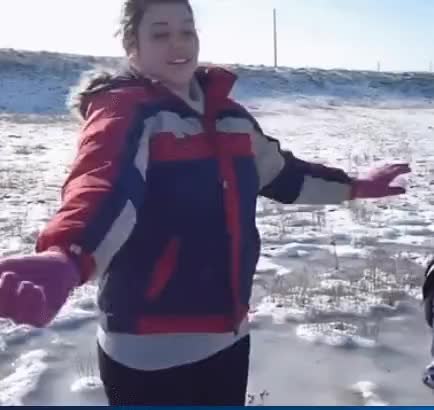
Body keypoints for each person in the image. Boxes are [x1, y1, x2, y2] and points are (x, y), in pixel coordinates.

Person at [0, 0, 411, 405]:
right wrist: (69, 255)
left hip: (227, 336)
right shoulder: (125, 110)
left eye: (187, 30)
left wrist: (354, 186)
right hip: (147, 351)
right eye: (160, 33)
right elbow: (104, 183)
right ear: (132, 47)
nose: (178, 43)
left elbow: (283, 174)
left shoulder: (230, 116)